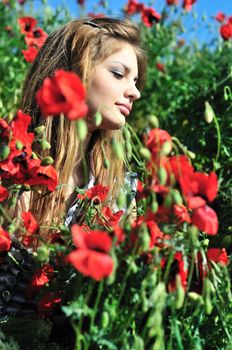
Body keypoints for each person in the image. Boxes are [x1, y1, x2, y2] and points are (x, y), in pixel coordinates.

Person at [0, 17, 147, 319]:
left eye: (136, 82)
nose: (135, 93)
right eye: (119, 74)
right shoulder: (10, 162)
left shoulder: (120, 191)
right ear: (74, 72)